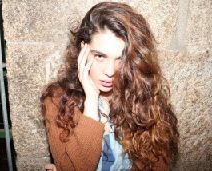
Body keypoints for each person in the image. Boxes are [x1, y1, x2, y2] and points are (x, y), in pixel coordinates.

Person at [40, 2, 178, 171]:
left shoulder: (144, 97)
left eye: (121, 59)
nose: (110, 71)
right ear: (83, 49)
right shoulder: (58, 100)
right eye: (100, 56)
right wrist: (91, 101)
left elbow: (157, 164)